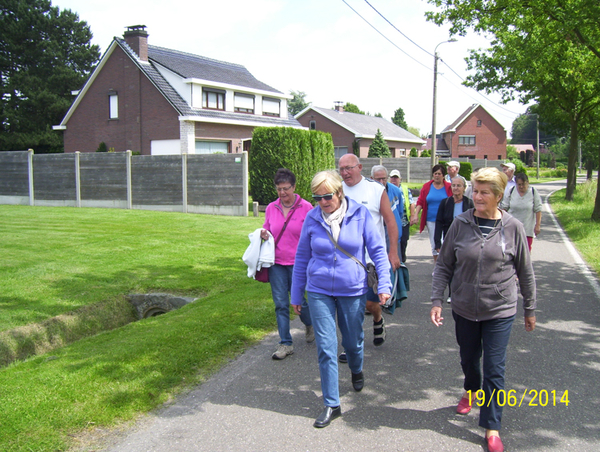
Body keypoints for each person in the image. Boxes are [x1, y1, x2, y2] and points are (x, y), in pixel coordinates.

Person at [430, 167, 536, 452]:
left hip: (500, 309)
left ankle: (492, 425)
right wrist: (437, 300)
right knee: (468, 359)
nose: (476, 196)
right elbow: (444, 266)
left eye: (483, 192)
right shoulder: (460, 224)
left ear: (499, 196)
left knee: (495, 368)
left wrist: (530, 308)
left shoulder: (513, 227)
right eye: (474, 191)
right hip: (464, 307)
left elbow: (525, 272)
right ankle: (471, 390)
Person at [291, 170, 391, 428]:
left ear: (339, 193)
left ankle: (356, 368)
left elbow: (378, 250)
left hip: (352, 289)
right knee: (326, 347)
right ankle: (331, 404)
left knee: (352, 342)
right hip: (318, 289)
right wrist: (296, 292)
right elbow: (302, 257)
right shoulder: (312, 218)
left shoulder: (359, 214)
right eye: (317, 197)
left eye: (327, 196)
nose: (323, 202)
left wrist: (385, 284)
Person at [338, 154, 400, 348]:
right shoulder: (336, 189)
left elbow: (390, 222)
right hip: (345, 260)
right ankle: (351, 346)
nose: (345, 173)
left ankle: (378, 318)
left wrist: (393, 252)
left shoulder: (376, 190)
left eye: (349, 168)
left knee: (370, 304)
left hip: (371, 261)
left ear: (360, 167)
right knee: (349, 307)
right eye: (341, 169)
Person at [261, 169, 314, 360]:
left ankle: (309, 323)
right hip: (276, 264)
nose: (282, 193)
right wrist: (263, 233)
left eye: (286, 189)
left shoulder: (307, 207)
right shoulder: (271, 207)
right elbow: (267, 228)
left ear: (294, 187)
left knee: (300, 301)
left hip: (298, 264)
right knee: (281, 304)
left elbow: (313, 235)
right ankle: (285, 343)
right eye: (279, 189)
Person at [434, 175, 474, 303]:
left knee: (464, 267)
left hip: (466, 240)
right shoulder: (445, 203)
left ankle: (465, 292)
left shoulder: (469, 203)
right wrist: (437, 242)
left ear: (464, 188)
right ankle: (452, 293)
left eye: (459, 186)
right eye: (454, 185)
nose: (456, 188)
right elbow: (439, 222)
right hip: (449, 239)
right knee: (451, 267)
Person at [411, 164, 452, 262]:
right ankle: (437, 266)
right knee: (435, 244)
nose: (437, 176)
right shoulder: (427, 187)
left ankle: (446, 266)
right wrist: (416, 215)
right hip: (431, 220)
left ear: (443, 175)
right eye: (435, 173)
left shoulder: (449, 187)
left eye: (439, 174)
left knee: (446, 242)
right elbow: (420, 201)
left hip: (446, 220)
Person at [500, 173, 542, 251]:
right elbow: (504, 208)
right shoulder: (512, 191)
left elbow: (538, 209)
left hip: (527, 229)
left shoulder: (533, 191)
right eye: (519, 184)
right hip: (512, 228)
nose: (521, 186)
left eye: (523, 184)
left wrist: (537, 225)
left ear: (528, 182)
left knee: (526, 251)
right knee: (511, 251)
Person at [371, 165, 403, 259]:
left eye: (384, 179)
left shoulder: (396, 191)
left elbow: (399, 212)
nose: (381, 182)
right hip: (376, 232)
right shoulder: (368, 192)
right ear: (372, 178)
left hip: (392, 233)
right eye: (378, 179)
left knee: (395, 263)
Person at [390, 169, 415, 263]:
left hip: (403, 221)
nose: (394, 180)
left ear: (400, 179)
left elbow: (411, 203)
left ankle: (402, 259)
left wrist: (412, 216)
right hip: (392, 221)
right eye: (392, 177)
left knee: (403, 241)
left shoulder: (404, 189)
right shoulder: (387, 189)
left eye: (396, 178)